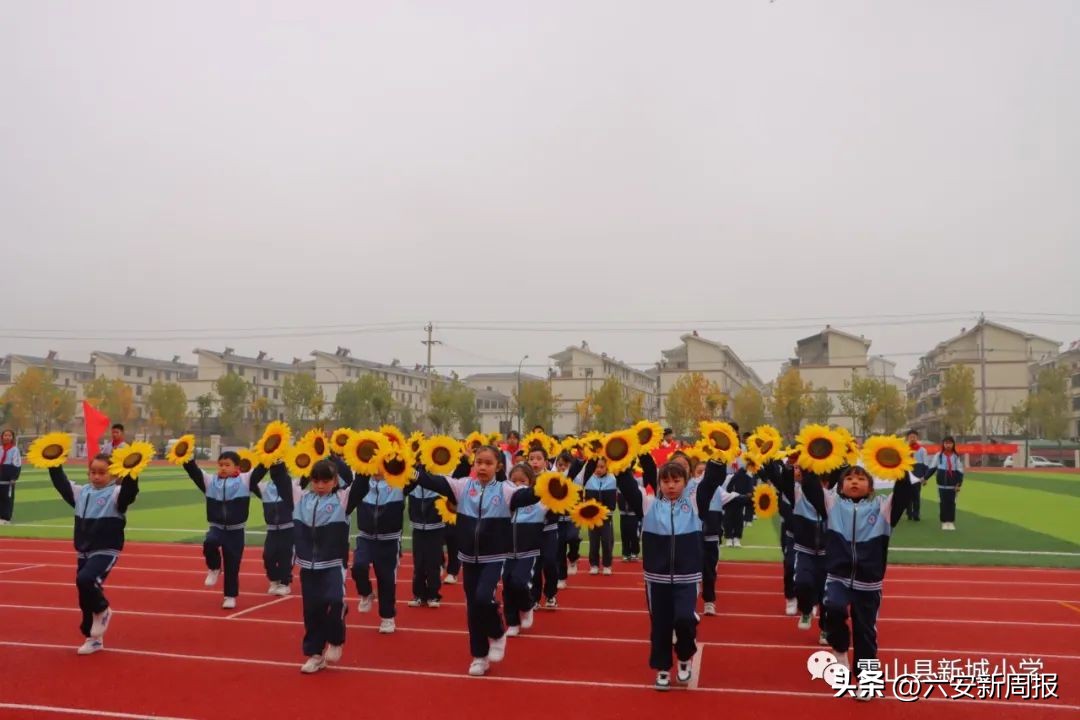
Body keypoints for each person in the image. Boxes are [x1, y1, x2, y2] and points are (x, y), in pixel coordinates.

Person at [412, 445, 544, 676]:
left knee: (483, 598)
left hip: (493, 557)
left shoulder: (506, 490)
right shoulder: (463, 486)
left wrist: (550, 487)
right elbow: (433, 481)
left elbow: (528, 495)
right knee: (473, 607)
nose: (482, 467)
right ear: (473, 464)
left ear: (498, 466)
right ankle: (479, 657)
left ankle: (498, 632)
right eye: (479, 462)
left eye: (488, 463)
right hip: (468, 557)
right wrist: (410, 471)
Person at [800, 464, 921, 701]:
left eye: (861, 478)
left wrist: (900, 468)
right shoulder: (832, 504)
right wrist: (809, 462)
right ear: (840, 485)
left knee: (865, 634)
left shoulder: (883, 507)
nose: (854, 482)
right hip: (838, 577)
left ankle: (867, 682)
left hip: (869, 583)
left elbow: (904, 493)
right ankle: (840, 649)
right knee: (832, 609)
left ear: (871, 487)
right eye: (849, 478)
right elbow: (811, 487)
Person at [615, 456, 725, 690]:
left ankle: (684, 657)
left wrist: (719, 456)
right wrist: (620, 459)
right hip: (656, 579)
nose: (671, 486)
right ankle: (662, 668)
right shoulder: (648, 505)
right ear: (659, 483)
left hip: (687, 576)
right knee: (660, 625)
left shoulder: (695, 503)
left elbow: (711, 481)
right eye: (665, 481)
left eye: (676, 481)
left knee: (685, 619)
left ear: (686, 482)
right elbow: (626, 484)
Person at [270, 456, 366, 673]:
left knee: (334, 601)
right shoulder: (300, 498)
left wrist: (365, 462)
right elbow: (281, 480)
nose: (320, 485)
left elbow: (362, 484)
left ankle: (335, 640)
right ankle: (315, 655)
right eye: (316, 481)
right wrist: (275, 459)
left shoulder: (343, 499)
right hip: (308, 565)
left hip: (333, 563)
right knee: (312, 611)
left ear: (335, 481)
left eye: (326, 481)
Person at [48, 453, 139, 654]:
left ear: (113, 474)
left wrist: (132, 471)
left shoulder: (116, 493)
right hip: (84, 550)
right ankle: (93, 639)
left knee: (86, 579)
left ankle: (103, 609)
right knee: (84, 595)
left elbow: (129, 493)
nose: (96, 476)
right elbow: (61, 484)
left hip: (106, 548)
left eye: (102, 472)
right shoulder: (82, 492)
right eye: (93, 472)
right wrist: (53, 463)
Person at [183, 451, 267, 609]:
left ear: (237, 467)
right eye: (220, 465)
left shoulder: (245, 480)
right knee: (210, 542)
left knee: (232, 565)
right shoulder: (210, 481)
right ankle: (214, 567)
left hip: (236, 531)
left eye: (227, 465)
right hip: (217, 527)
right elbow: (194, 471)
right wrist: (185, 456)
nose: (223, 468)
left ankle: (230, 596)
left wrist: (272, 453)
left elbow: (262, 469)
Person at [504, 463, 543, 635]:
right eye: (514, 481)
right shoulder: (505, 501)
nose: (518, 485)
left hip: (528, 551)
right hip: (506, 552)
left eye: (523, 481)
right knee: (507, 586)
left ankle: (527, 606)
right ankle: (512, 622)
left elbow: (557, 500)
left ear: (531, 482)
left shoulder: (539, 502)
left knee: (519, 582)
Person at [525, 447, 560, 608]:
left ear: (546, 462)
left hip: (549, 528)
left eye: (538, 458)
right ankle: (535, 597)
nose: (535, 462)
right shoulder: (525, 478)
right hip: (531, 529)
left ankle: (551, 594)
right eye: (531, 458)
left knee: (550, 562)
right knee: (535, 565)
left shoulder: (552, 478)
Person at [407, 478, 446, 608]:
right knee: (418, 563)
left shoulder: (439, 479)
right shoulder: (412, 481)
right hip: (418, 527)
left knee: (433, 563)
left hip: (435, 528)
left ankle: (433, 595)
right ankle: (419, 595)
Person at [583, 457, 617, 575]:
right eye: (596, 467)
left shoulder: (612, 479)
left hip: (606, 517)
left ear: (607, 467)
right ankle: (594, 565)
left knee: (607, 541)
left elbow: (612, 501)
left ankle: (607, 565)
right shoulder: (588, 479)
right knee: (593, 542)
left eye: (602, 467)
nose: (598, 469)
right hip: (592, 518)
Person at [926, 436, 963, 530]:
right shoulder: (938, 455)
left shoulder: (956, 456)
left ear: (953, 444)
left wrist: (959, 483)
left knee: (952, 503)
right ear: (943, 444)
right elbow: (932, 468)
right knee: (942, 503)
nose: (948, 445)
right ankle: (944, 522)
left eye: (950, 443)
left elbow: (960, 471)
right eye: (946, 443)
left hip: (953, 486)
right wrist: (925, 478)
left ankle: (950, 522)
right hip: (941, 485)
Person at [905, 430, 929, 521]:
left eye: (914, 437)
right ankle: (909, 512)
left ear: (917, 438)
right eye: (910, 437)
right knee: (907, 494)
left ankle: (916, 514)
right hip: (906, 473)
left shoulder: (922, 450)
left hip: (917, 475)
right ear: (908, 438)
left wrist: (925, 477)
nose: (912, 438)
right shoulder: (904, 449)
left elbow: (926, 464)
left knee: (916, 495)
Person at [0, 429, 21, 524]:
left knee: (7, 498)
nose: (7, 437)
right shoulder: (0, 448)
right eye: (5, 435)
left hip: (8, 478)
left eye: (9, 435)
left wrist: (13, 477)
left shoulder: (14, 450)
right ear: (2, 437)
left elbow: (17, 464)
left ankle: (6, 518)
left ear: (12, 438)